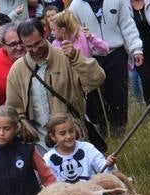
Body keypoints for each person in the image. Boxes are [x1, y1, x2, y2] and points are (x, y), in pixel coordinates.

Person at [69, 0, 143, 137]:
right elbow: (74, 37)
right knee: (99, 97)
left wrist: (136, 48)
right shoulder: (76, 5)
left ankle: (120, 130)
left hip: (116, 52)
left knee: (119, 92)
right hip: (92, 57)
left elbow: (126, 24)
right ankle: (103, 129)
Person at [6, 18, 105, 149]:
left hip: (73, 138)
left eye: (37, 43)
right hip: (40, 145)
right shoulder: (17, 70)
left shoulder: (66, 57)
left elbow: (96, 79)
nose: (35, 50)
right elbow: (13, 109)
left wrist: (76, 58)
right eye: (29, 46)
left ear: (45, 34)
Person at [43, 113, 115, 183]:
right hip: (65, 194)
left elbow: (107, 173)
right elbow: (50, 186)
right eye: (62, 134)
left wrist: (110, 166)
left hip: (92, 192)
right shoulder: (48, 159)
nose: (68, 136)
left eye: (71, 131)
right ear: (53, 137)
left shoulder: (87, 148)